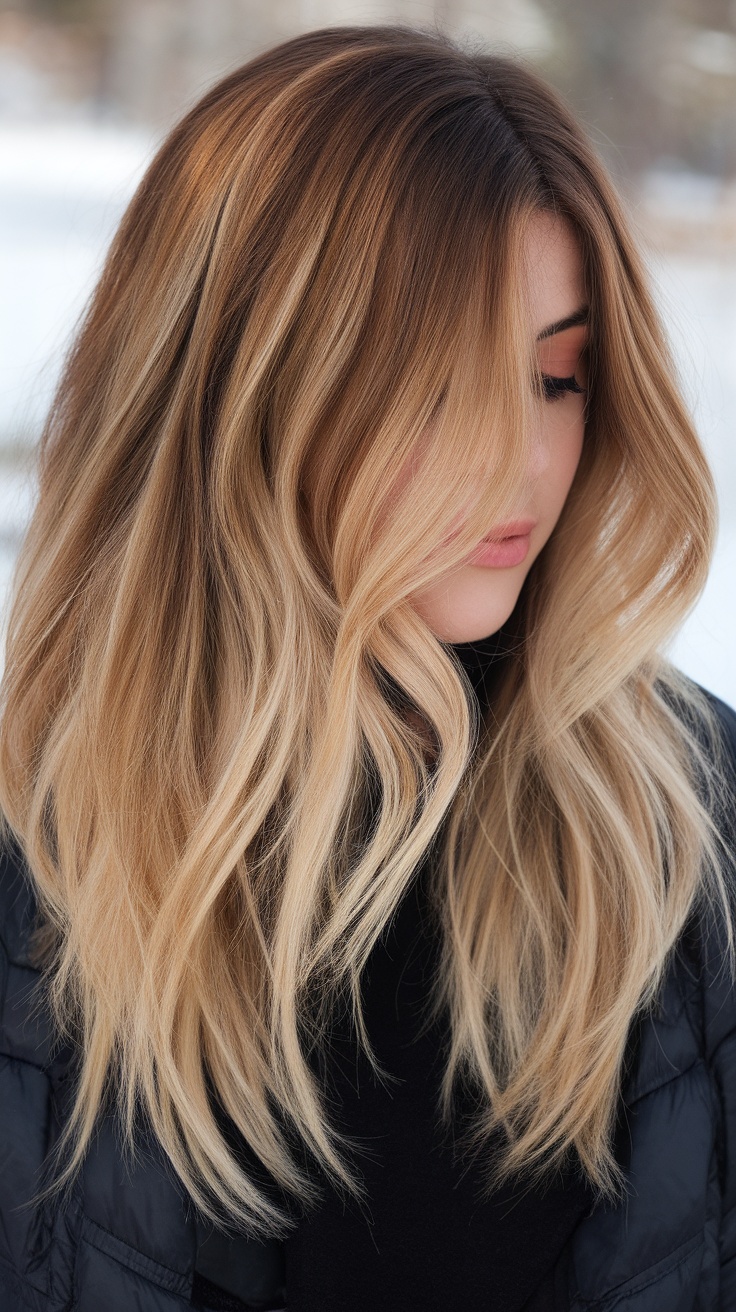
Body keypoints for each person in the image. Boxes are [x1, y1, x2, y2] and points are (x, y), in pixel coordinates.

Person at [0, 21, 735, 1312]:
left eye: (558, 376)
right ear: (245, 388)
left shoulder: (690, 828)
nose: (524, 463)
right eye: (442, 391)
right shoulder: (37, 852)